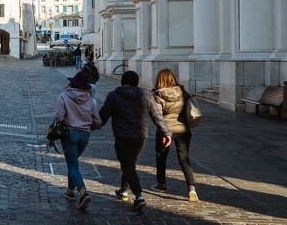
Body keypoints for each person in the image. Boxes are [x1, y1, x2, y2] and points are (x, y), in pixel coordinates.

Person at [98, 70, 172, 212]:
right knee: (130, 163)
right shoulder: (146, 95)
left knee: (127, 165)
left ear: (122, 81)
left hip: (122, 136)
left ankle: (139, 196)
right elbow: (157, 116)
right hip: (140, 137)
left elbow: (103, 115)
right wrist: (166, 132)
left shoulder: (113, 96)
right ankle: (124, 189)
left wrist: (93, 125)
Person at [54, 71, 103, 210]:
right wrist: (90, 126)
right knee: (73, 162)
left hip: (69, 134)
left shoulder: (63, 96)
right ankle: (70, 191)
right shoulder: (91, 99)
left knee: (73, 165)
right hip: (84, 135)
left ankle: (83, 192)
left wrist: (66, 122)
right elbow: (98, 121)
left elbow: (58, 116)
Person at [152, 69, 199, 202]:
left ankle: (161, 184)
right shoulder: (183, 92)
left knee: (161, 157)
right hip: (183, 129)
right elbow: (191, 109)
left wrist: (163, 131)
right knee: (184, 159)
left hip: (165, 130)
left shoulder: (158, 94)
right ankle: (191, 188)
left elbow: (158, 116)